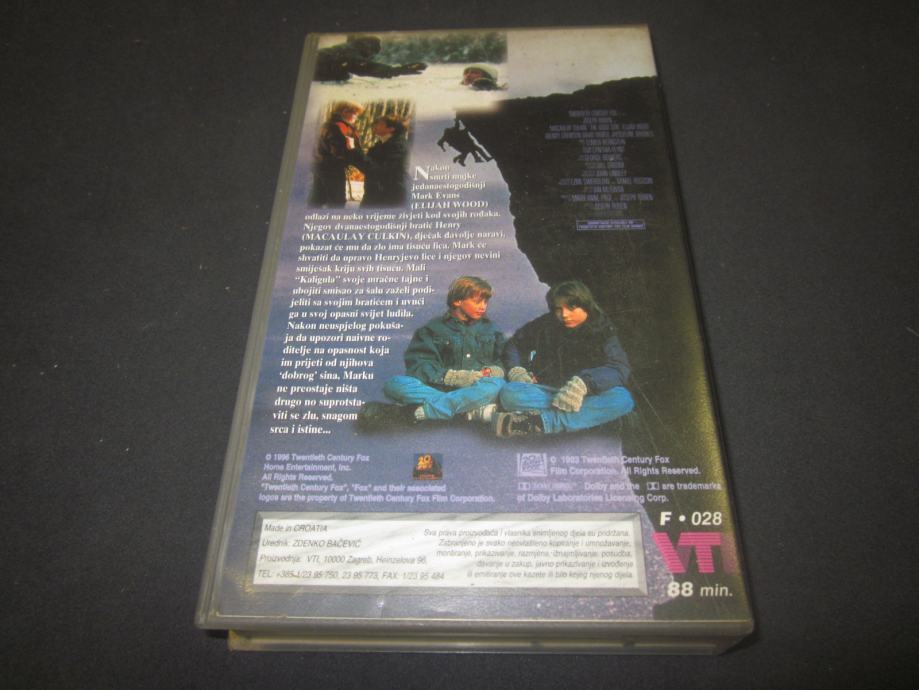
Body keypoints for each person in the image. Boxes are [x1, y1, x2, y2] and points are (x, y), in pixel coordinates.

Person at [357, 276, 506, 430]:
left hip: (475, 389)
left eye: (485, 302)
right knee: (395, 383)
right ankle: (468, 412)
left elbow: (502, 361)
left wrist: (493, 371)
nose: (483, 307)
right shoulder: (432, 329)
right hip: (439, 388)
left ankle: (417, 413)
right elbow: (419, 365)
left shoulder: (492, 329)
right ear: (457, 301)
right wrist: (454, 377)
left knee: (496, 384)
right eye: (477, 302)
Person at [495, 280, 634, 436]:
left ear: (585, 305)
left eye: (571, 307)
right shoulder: (546, 323)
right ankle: (582, 417)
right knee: (509, 394)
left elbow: (619, 367)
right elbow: (515, 344)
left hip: (585, 395)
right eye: (558, 309)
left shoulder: (603, 329)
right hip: (548, 390)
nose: (564, 315)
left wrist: (585, 383)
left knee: (622, 399)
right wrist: (517, 370)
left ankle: (539, 423)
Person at [309, 102, 363, 207]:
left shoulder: (328, 124)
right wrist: (353, 157)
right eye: (355, 113)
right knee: (337, 202)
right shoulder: (340, 126)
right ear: (345, 111)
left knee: (317, 199)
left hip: (320, 166)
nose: (356, 116)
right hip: (333, 168)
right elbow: (338, 151)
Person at [315, 35, 427, 82]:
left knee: (344, 75)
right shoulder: (350, 51)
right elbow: (363, 66)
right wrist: (396, 70)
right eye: (373, 52)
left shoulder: (345, 49)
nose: (371, 57)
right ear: (367, 46)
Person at [358, 115, 408, 207]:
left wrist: (356, 153)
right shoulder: (382, 144)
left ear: (391, 129)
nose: (375, 125)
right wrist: (352, 151)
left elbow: (380, 172)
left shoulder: (398, 147)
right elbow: (367, 166)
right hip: (374, 196)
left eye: (380, 124)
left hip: (388, 198)